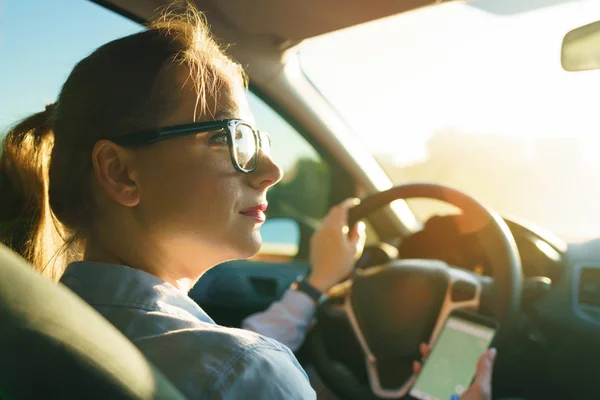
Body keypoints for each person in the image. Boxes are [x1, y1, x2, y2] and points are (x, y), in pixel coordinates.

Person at [0, 3, 495, 399]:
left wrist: (319, 283)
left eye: (260, 142)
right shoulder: (244, 373)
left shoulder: (52, 329)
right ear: (120, 172)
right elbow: (240, 362)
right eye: (229, 138)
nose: (271, 171)